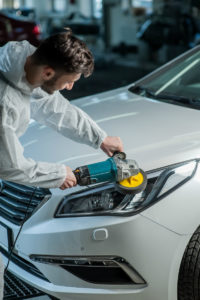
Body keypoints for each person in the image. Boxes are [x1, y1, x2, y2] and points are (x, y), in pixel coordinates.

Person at [0, 28, 123, 298]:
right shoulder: (4, 101)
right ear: (48, 73)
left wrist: (100, 139)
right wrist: (58, 174)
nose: (70, 87)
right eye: (69, 82)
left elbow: (56, 108)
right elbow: (9, 165)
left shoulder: (26, 62)